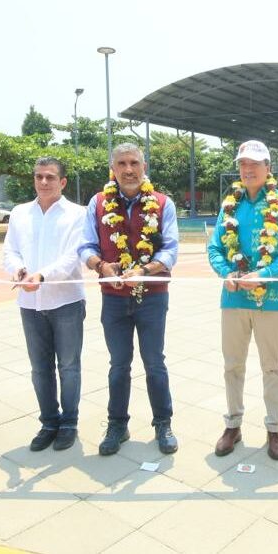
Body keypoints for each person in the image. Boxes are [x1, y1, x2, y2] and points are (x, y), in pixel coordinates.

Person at [78, 143, 180, 456]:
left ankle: (163, 424)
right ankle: (117, 425)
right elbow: (85, 246)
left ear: (144, 167)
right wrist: (101, 265)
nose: (128, 169)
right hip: (114, 298)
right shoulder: (98, 203)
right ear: (113, 169)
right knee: (119, 365)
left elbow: (171, 249)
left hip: (152, 298)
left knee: (154, 363)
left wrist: (146, 270)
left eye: (134, 163)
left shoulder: (162, 203)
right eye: (121, 164)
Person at [207, 140, 278, 460]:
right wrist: (226, 273)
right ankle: (232, 424)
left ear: (268, 168)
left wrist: (265, 274)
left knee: (271, 367)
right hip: (233, 297)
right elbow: (215, 247)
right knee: (232, 365)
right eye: (243, 164)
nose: (247, 169)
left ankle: (274, 428)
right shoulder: (229, 205)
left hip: (270, 298)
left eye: (254, 163)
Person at [3, 157, 87, 452]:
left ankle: (69, 422)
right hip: (29, 303)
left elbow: (73, 257)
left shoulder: (78, 214)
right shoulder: (19, 213)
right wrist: (18, 270)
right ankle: (49, 422)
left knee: (69, 366)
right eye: (39, 176)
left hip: (66, 301)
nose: (43, 182)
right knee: (40, 368)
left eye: (50, 177)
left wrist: (42, 275)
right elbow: (10, 251)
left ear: (62, 182)